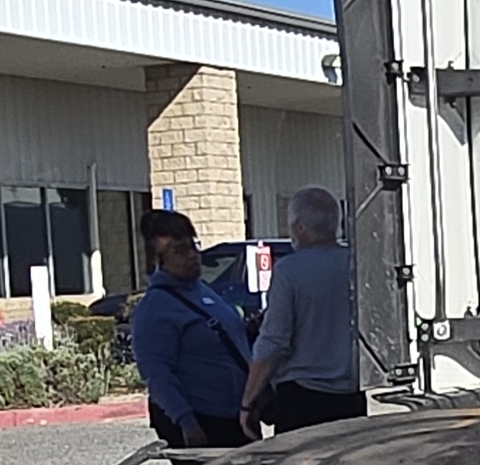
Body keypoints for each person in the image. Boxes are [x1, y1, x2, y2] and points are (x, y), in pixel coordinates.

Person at [242, 187, 366, 433]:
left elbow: (274, 342)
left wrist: (248, 402)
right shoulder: (357, 264)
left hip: (302, 397)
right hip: (351, 395)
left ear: (299, 228)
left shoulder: (289, 271)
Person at [127, 210, 254, 447]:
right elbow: (158, 373)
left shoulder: (204, 290)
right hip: (199, 418)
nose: (193, 256)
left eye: (194, 247)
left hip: (233, 413)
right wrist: (186, 422)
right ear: (158, 259)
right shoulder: (155, 308)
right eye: (180, 250)